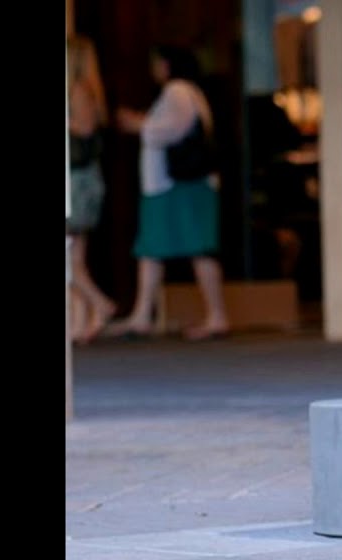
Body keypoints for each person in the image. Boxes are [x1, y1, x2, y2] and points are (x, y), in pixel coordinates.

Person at [107, 45, 230, 341]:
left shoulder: (178, 90)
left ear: (167, 65)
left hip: (177, 186)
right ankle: (142, 315)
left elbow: (173, 128)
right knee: (153, 249)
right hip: (174, 186)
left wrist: (138, 124)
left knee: (194, 248)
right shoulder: (190, 92)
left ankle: (214, 315)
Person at [67, 34, 117, 344]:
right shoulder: (87, 90)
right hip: (81, 180)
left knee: (71, 258)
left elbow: (82, 131)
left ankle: (100, 304)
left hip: (77, 182)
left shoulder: (80, 90)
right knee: (75, 258)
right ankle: (81, 321)